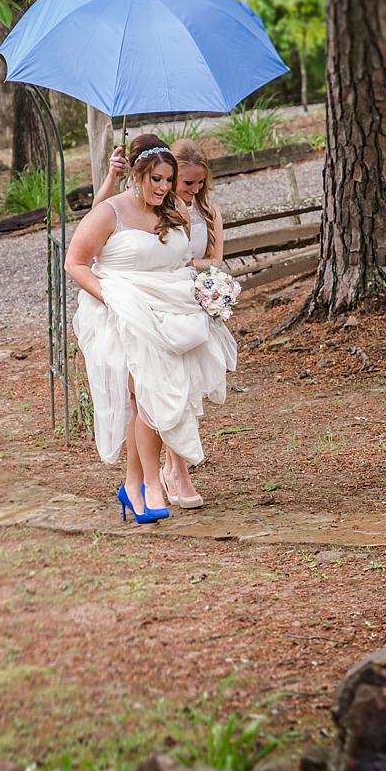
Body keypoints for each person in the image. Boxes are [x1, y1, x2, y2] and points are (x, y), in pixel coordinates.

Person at [67, 134, 237, 524]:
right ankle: (153, 484)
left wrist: (205, 291)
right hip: (121, 312)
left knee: (154, 398)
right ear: (138, 175)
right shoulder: (110, 212)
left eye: (167, 180)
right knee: (144, 395)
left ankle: (134, 485)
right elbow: (75, 263)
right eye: (155, 179)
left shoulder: (172, 210)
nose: (163, 188)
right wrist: (109, 297)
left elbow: (186, 259)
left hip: (169, 313)